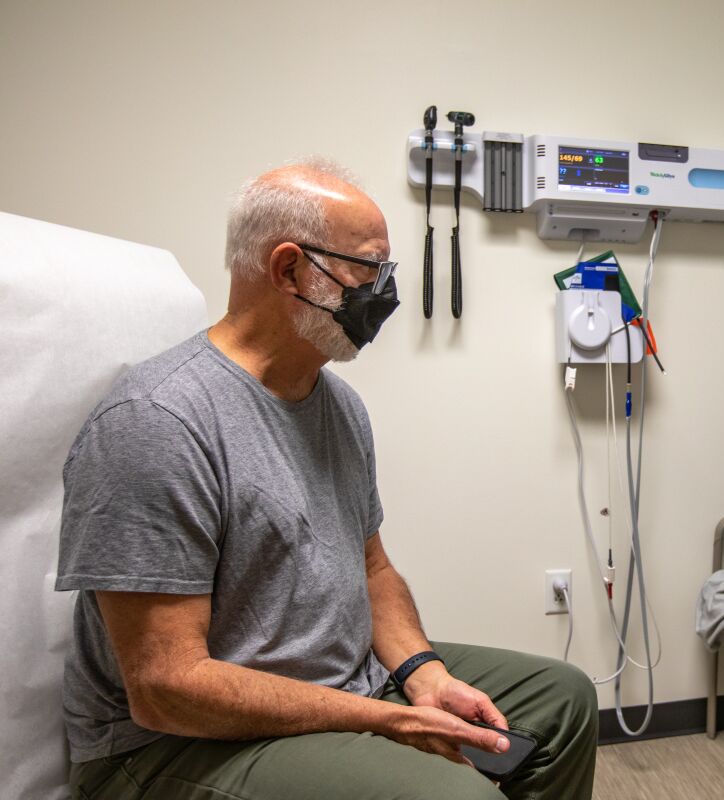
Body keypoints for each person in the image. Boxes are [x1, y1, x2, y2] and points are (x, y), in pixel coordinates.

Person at [54, 159, 598, 800]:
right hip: (174, 748)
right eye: (368, 269)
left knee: (563, 702)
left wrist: (424, 676)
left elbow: (371, 569)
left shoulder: (338, 406)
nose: (384, 293)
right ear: (290, 270)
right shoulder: (156, 421)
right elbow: (165, 689)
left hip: (342, 684)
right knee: (457, 796)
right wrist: (390, 718)